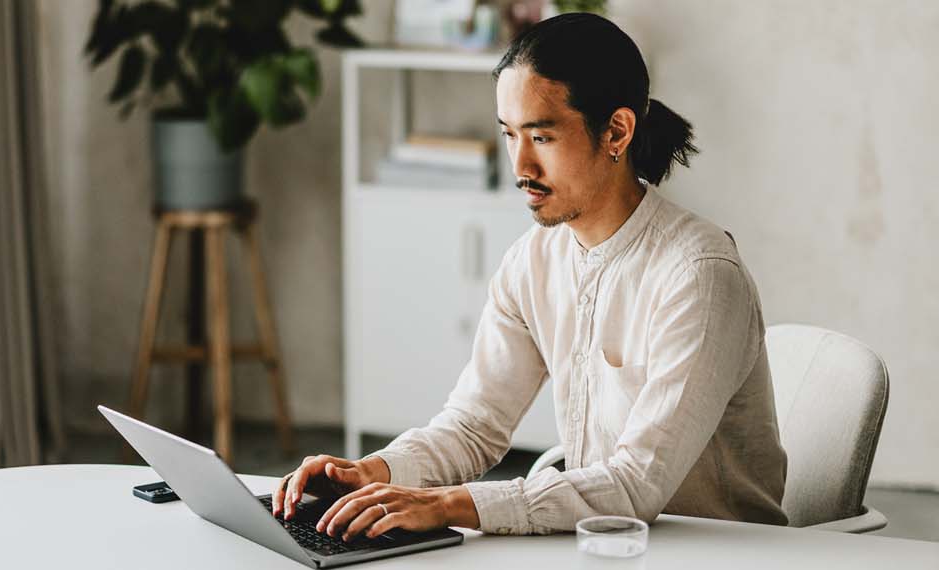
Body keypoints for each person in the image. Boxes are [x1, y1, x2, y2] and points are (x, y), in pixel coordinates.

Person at [270, 12, 789, 538]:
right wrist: (372, 473)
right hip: (606, 547)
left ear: (617, 131)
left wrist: (449, 504)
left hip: (720, 553)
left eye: (540, 137)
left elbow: (635, 485)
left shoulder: (698, 275)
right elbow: (474, 426)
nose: (520, 166)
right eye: (509, 134)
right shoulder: (531, 262)